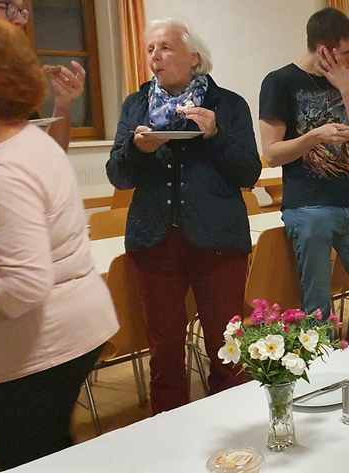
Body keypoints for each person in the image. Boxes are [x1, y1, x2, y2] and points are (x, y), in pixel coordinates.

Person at [0, 19, 118, 470]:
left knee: (27, 459)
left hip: (37, 344)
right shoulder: (29, 139)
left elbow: (25, 283)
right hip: (71, 327)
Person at [107, 18, 259, 414]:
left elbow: (249, 172)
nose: (155, 57)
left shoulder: (229, 104)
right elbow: (118, 176)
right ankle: (169, 430)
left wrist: (216, 135)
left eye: (165, 47)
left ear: (194, 57)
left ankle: (232, 422)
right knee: (164, 347)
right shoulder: (136, 105)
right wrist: (137, 149)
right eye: (150, 49)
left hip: (219, 240)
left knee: (226, 342)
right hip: (154, 239)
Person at [259, 8, 349, 339]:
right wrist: (315, 136)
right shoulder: (280, 82)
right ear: (324, 50)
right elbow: (271, 154)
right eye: (346, 52)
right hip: (308, 207)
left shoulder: (347, 80)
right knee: (318, 303)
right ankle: (324, 365)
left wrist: (347, 89)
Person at [0, 0, 86, 150]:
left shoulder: (8, 77)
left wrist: (63, 106)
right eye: (6, 7)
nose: (20, 20)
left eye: (21, 11)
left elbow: (46, 154)